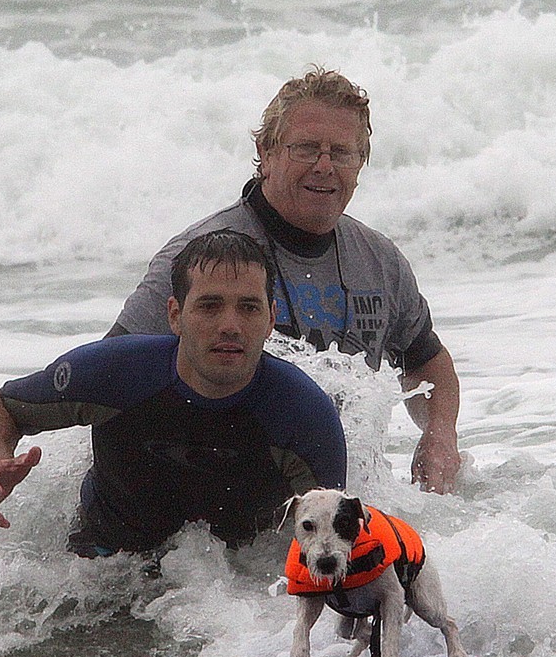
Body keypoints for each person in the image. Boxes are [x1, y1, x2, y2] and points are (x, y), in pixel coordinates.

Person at [107, 67, 461, 494]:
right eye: (307, 149)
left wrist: (439, 435)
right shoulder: (200, 258)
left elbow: (426, 361)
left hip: (336, 508)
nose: (325, 166)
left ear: (360, 163)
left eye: (342, 153)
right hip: (220, 513)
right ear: (266, 150)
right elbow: (111, 372)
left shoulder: (380, 261)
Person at [0, 231, 347, 557]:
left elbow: (337, 544)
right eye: (210, 306)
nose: (230, 326)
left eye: (248, 308)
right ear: (174, 315)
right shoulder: (115, 373)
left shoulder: (303, 415)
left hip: (236, 594)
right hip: (98, 563)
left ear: (269, 320)